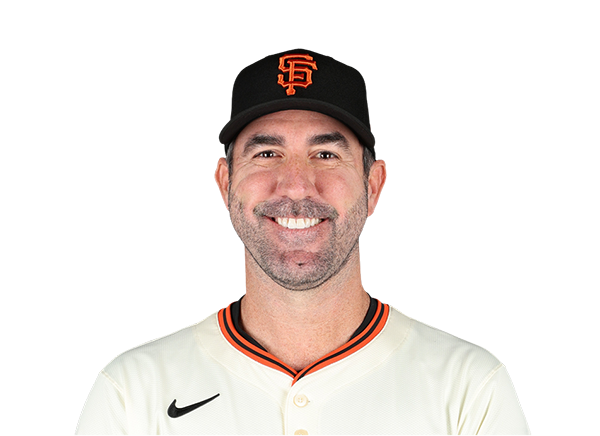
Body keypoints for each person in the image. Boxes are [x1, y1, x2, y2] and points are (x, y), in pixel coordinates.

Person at [76, 51, 530, 435]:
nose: (295, 186)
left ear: (373, 186)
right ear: (224, 183)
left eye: (326, 154)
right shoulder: (133, 391)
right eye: (267, 153)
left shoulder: (468, 388)